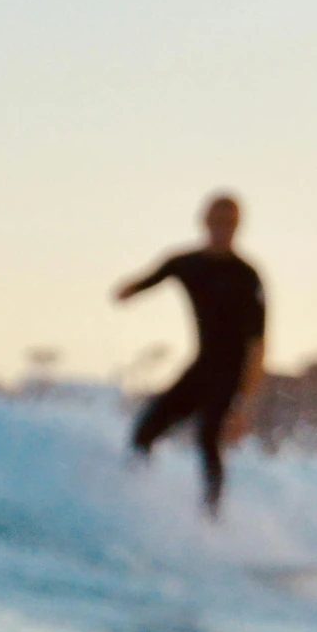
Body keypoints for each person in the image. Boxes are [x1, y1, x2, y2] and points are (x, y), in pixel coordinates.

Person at [114, 193, 268, 514]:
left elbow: (257, 346)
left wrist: (243, 403)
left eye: (230, 222)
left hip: (231, 375)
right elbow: (153, 277)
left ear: (238, 226)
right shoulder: (187, 263)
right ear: (205, 221)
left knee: (208, 438)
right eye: (218, 220)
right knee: (145, 430)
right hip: (202, 368)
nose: (223, 227)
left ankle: (212, 520)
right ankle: (130, 500)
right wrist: (129, 291)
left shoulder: (247, 276)